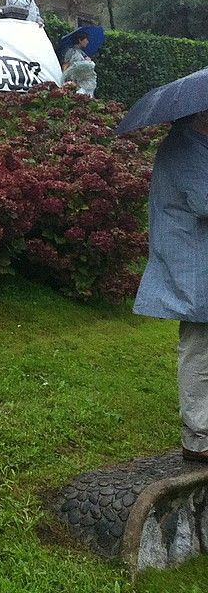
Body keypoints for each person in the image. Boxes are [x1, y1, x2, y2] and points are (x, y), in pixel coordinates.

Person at [133, 109, 208, 463]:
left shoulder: (195, 143)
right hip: (194, 261)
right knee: (199, 347)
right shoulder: (186, 148)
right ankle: (198, 439)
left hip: (197, 257)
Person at [60, 30, 96, 97]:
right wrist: (64, 79)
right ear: (80, 40)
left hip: (83, 81)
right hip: (73, 81)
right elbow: (65, 65)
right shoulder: (71, 51)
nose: (87, 42)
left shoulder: (82, 53)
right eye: (86, 40)